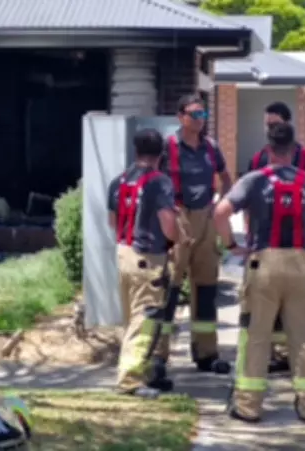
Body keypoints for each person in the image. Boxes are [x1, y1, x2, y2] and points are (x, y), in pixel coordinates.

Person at [213, 122, 305, 423]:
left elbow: (221, 212)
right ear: (294, 150)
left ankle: (248, 406)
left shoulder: (254, 180)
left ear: (268, 149)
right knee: (304, 335)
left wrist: (232, 245)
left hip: (263, 263)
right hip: (300, 263)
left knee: (256, 335)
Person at [245, 102, 305, 375]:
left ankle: (287, 354)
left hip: (296, 246)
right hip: (263, 246)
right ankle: (270, 354)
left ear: (288, 125)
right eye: (267, 125)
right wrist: (248, 238)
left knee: (296, 307)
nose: (270, 129)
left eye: (275, 124)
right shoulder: (258, 159)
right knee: (261, 307)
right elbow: (246, 203)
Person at [157, 94, 232, 374]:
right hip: (178, 217)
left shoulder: (211, 147)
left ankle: (206, 353)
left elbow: (226, 178)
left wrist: (220, 205)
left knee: (206, 287)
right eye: (194, 114)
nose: (200, 120)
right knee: (170, 287)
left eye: (203, 114)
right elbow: (153, 182)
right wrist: (165, 213)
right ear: (181, 117)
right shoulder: (168, 147)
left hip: (206, 218)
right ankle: (159, 354)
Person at [107, 128, 179, 396]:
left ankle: (146, 373)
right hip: (148, 258)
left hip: (123, 253)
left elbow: (112, 222)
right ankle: (129, 381)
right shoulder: (160, 182)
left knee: (131, 319)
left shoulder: (118, 181)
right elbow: (168, 224)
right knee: (145, 321)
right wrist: (178, 239)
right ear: (161, 154)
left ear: (136, 151)